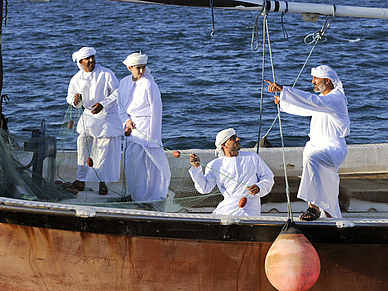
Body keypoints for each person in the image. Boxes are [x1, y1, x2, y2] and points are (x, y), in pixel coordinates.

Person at [265, 65, 350, 220]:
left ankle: (313, 208)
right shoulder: (325, 100)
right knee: (327, 185)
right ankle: (331, 217)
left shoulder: (336, 99)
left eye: (315, 79)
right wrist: (283, 101)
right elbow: (306, 109)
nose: (313, 82)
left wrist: (285, 90)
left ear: (327, 80)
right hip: (318, 146)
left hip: (333, 148)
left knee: (312, 158)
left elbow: (313, 102)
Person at [67, 47, 122, 195]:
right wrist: (75, 101)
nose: (91, 60)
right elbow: (70, 97)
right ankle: (80, 180)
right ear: (81, 62)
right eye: (88, 58)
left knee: (102, 147)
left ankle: (102, 182)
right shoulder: (76, 79)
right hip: (89, 115)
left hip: (107, 114)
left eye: (92, 57)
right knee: (82, 142)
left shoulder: (106, 74)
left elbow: (118, 92)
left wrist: (103, 104)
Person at [118, 52, 171, 202]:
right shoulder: (123, 83)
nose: (141, 71)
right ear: (129, 68)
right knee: (134, 166)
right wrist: (126, 122)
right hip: (131, 132)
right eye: (137, 68)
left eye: (143, 67)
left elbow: (156, 111)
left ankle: (152, 198)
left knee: (152, 167)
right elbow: (120, 107)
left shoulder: (149, 84)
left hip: (147, 130)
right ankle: (137, 197)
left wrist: (154, 138)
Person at [189, 128, 274, 216]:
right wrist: (197, 168)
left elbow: (268, 177)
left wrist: (259, 187)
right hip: (226, 208)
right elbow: (204, 188)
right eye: (232, 138)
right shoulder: (214, 164)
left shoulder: (252, 157)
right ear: (224, 145)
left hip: (250, 208)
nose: (238, 139)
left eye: (236, 136)